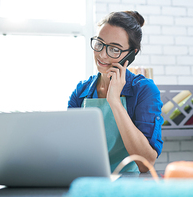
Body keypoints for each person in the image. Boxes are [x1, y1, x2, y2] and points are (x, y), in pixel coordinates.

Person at [68, 11, 163, 173]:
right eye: (99, 44)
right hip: (87, 179)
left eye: (114, 49)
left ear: (131, 54)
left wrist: (115, 102)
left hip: (126, 185)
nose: (102, 55)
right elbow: (69, 146)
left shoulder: (144, 90)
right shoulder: (81, 90)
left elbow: (146, 163)